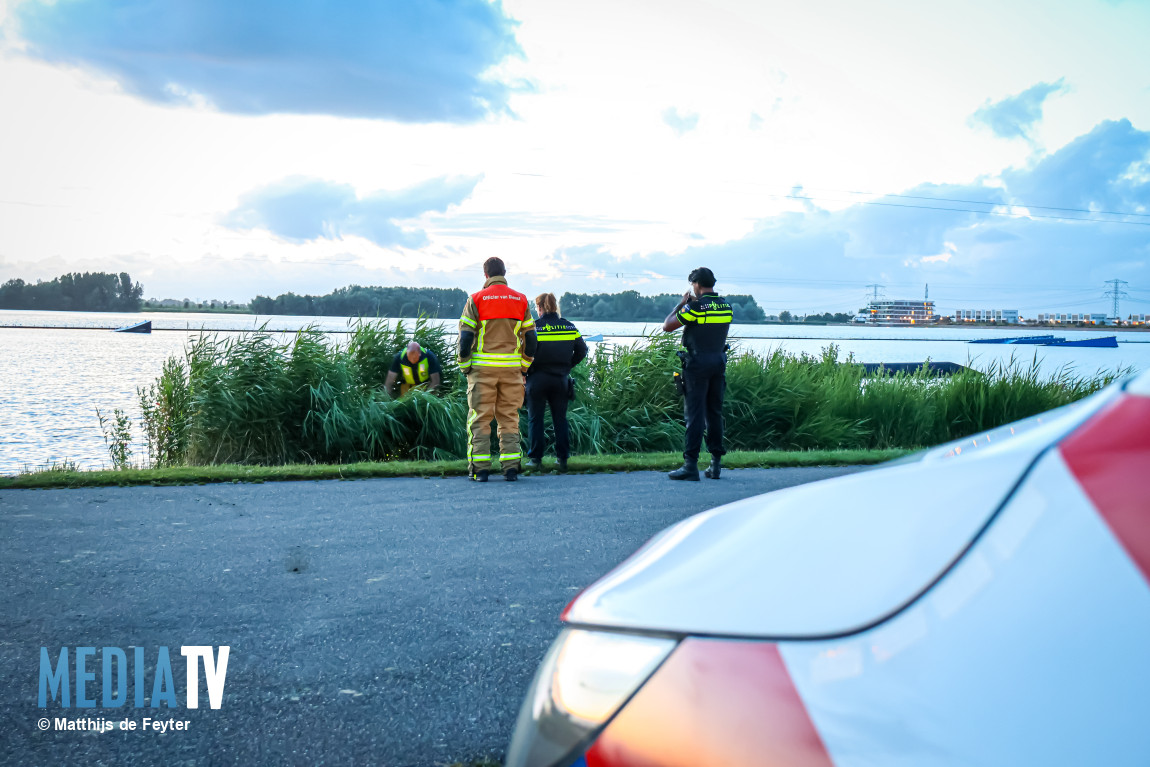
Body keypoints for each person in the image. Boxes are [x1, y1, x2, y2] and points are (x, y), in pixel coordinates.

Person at [458, 257, 537, 482]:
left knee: (480, 419)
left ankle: (480, 471)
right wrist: (524, 365)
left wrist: (465, 366)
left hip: (482, 370)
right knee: (509, 418)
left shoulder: (476, 300)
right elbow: (531, 339)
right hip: (512, 370)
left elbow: (465, 339)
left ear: (485, 275)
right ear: (504, 272)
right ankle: (511, 468)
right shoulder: (520, 300)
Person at [662, 267, 733, 481]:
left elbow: (667, 326)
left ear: (696, 284)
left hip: (697, 363)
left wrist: (681, 303)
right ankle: (715, 464)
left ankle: (690, 465)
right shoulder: (726, 307)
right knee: (714, 413)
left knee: (694, 416)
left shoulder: (695, 307)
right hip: (718, 362)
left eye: (692, 284)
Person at [525, 293, 588, 473]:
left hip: (537, 379)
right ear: (555, 306)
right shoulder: (569, 326)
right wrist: (568, 365)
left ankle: (535, 459)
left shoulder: (534, 327)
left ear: (540, 308)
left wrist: (526, 371)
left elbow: (525, 352)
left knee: (535, 419)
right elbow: (582, 350)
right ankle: (562, 459)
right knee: (560, 419)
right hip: (561, 379)